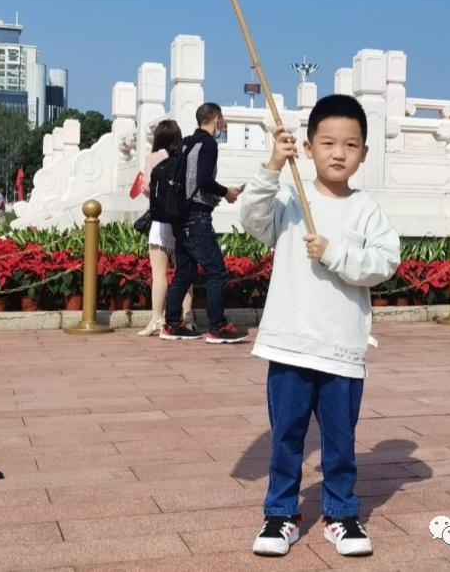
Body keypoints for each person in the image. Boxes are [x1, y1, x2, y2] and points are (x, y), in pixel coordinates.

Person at [240, 94, 400, 558]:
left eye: (350, 145)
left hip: (342, 347)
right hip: (290, 343)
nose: (338, 153)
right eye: (327, 142)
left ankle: (341, 513)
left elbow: (383, 263)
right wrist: (272, 165)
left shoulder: (367, 210)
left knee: (340, 439)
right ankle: (281, 512)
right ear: (307, 147)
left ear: (364, 153)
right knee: (286, 434)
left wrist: (334, 252)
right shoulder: (291, 195)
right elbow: (254, 221)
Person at [159, 102, 248, 344]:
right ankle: (217, 327)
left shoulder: (185, 142)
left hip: (178, 215)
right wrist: (226, 192)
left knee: (184, 272)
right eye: (223, 120)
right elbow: (203, 180)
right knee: (217, 271)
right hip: (196, 215)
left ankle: (172, 323)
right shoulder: (208, 143)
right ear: (216, 119)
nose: (224, 125)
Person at [138, 120, 195, 338]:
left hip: (161, 221)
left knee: (159, 273)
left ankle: (156, 319)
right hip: (182, 219)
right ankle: (187, 318)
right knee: (184, 272)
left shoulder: (153, 158)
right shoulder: (185, 155)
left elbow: (146, 189)